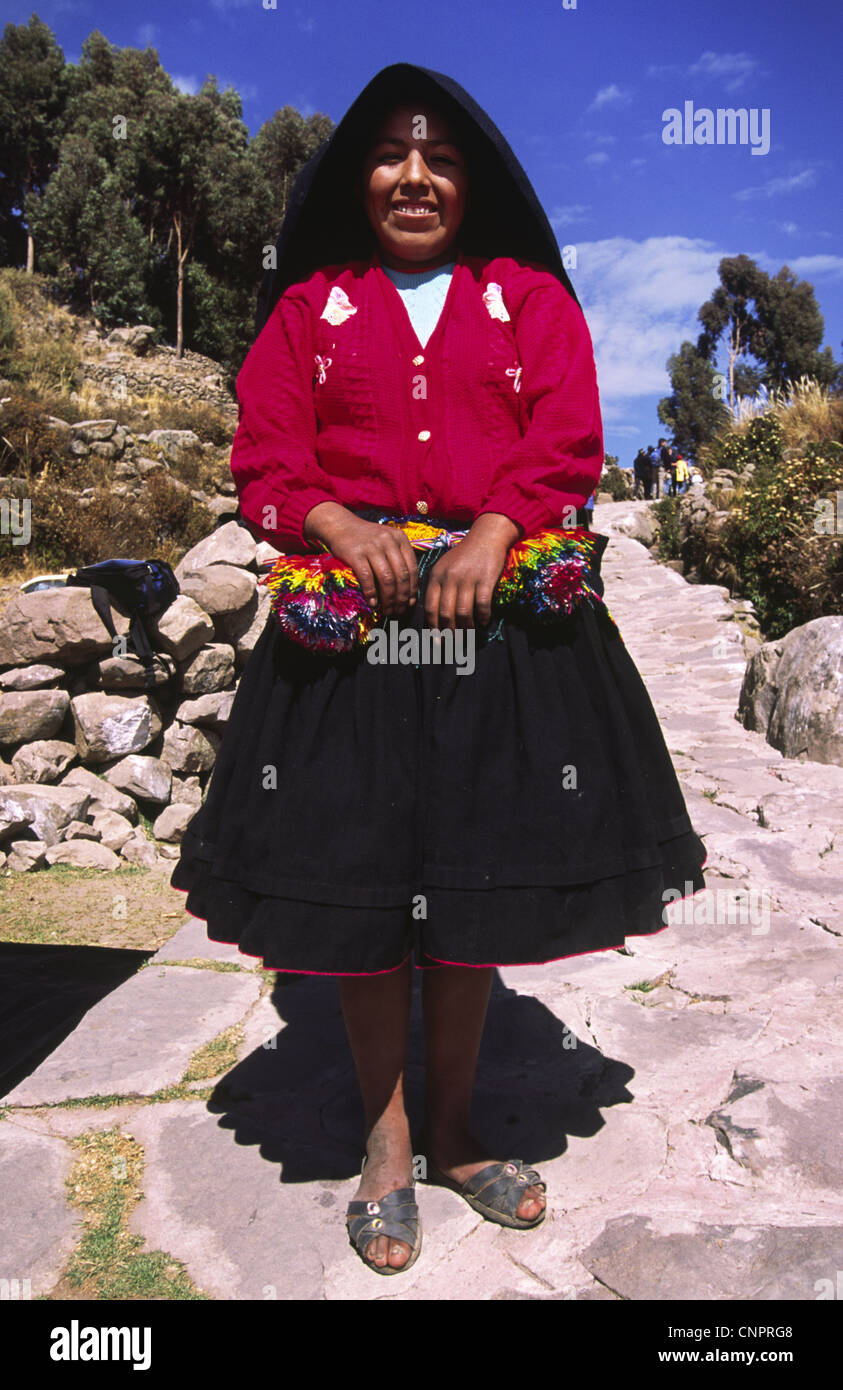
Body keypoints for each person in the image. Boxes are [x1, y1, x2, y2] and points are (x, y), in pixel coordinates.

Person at [170, 63, 706, 1276]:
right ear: (359, 177)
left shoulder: (526, 302)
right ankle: (386, 1143)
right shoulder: (312, 310)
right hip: (351, 642)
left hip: (496, 634)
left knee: (467, 883)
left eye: (443, 159)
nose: (415, 176)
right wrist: (332, 523)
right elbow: (267, 450)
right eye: (393, 155)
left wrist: (498, 528)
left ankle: (458, 1133)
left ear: (474, 185)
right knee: (369, 888)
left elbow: (567, 436)